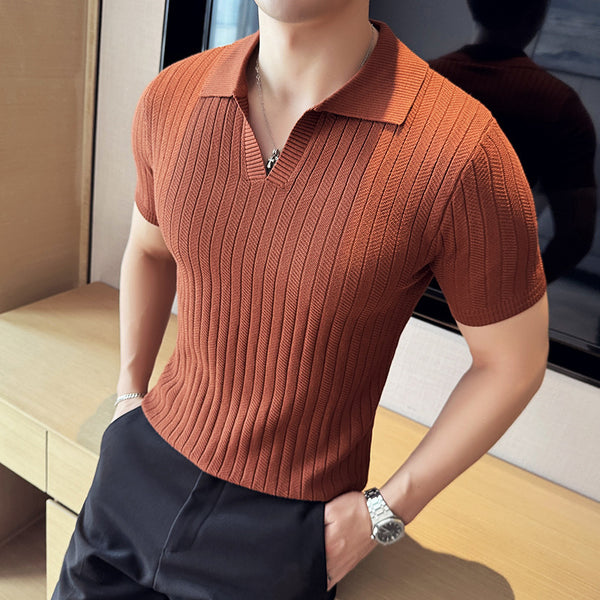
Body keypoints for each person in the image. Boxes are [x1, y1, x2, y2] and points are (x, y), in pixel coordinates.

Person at [52, 1, 549, 598]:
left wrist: (383, 514)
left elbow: (512, 363)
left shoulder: (462, 151)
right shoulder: (174, 95)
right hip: (139, 467)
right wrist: (128, 396)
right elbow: (150, 249)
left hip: (285, 529)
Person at [429, 0, 597, 284]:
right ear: (538, 14)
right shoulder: (559, 105)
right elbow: (577, 233)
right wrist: (518, 292)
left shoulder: (418, 81)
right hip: (482, 283)